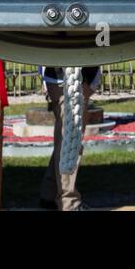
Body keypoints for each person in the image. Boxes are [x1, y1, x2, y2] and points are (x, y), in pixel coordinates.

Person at [40, 65, 101, 210]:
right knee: (70, 140)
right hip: (65, 79)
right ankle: (69, 202)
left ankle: (50, 192)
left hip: (73, 78)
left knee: (64, 140)